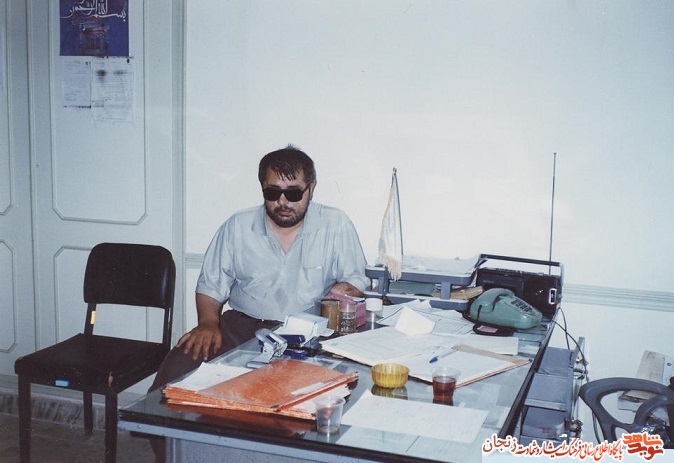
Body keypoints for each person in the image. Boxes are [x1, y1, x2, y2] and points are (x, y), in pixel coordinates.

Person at [150, 145, 369, 391]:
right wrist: (208, 322)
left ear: (311, 188)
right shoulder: (238, 226)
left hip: (307, 334)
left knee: (297, 391)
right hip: (241, 329)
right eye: (272, 192)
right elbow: (211, 286)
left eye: (293, 193)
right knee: (179, 367)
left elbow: (356, 280)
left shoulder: (335, 224)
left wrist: (343, 291)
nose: (282, 202)